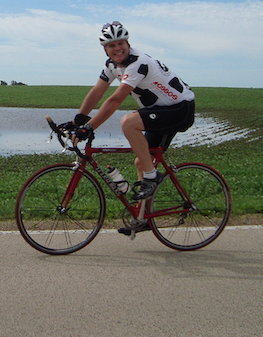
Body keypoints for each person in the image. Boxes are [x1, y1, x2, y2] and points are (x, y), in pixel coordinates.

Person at [69, 21, 195, 232]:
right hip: (160, 110)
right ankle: (144, 218)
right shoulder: (111, 65)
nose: (117, 48)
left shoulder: (138, 63)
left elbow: (115, 99)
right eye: (112, 45)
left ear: (128, 43)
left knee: (128, 122)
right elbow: (97, 92)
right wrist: (77, 120)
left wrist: (89, 128)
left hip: (179, 109)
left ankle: (152, 177)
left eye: (121, 43)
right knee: (142, 162)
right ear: (105, 49)